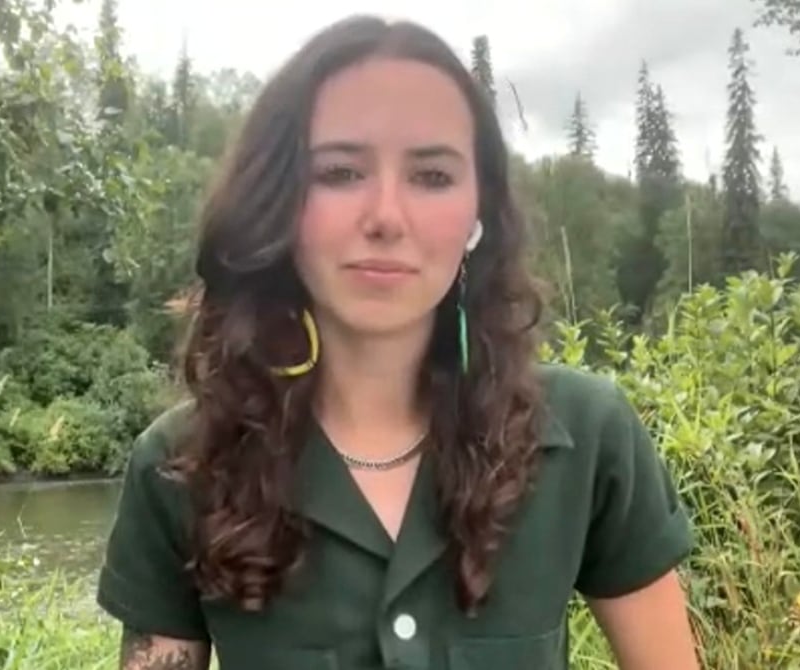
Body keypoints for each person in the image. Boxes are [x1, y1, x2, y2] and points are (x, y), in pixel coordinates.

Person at [95, 14, 699, 670]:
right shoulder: (181, 467)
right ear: (278, 202)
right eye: (340, 172)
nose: (385, 217)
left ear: (478, 213)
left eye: (432, 177)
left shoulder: (587, 437)